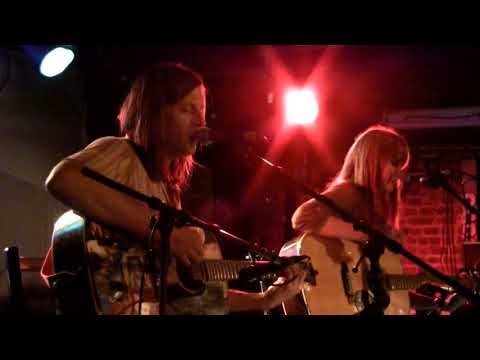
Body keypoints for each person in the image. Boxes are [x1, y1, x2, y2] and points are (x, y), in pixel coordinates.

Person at [45, 62, 306, 315]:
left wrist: (264, 300)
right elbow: (62, 180)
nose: (199, 120)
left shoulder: (168, 192)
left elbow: (183, 299)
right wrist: (164, 234)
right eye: (187, 109)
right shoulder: (122, 152)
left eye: (201, 111)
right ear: (154, 113)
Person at [290, 125, 411, 315]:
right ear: (372, 160)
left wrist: (438, 299)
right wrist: (369, 235)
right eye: (395, 163)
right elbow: (302, 218)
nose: (399, 173)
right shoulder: (351, 192)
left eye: (401, 165)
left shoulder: (375, 203)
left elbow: (394, 297)